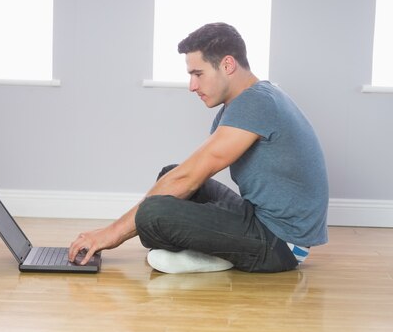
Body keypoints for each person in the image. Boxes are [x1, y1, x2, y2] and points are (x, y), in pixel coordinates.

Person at [69, 22, 328, 274]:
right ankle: (217, 251)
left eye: (198, 74)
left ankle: (218, 256)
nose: (192, 86)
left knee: (154, 211)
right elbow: (186, 173)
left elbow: (191, 176)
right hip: (259, 217)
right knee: (168, 175)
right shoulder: (244, 102)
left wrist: (111, 234)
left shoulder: (256, 102)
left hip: (280, 244)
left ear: (227, 64)